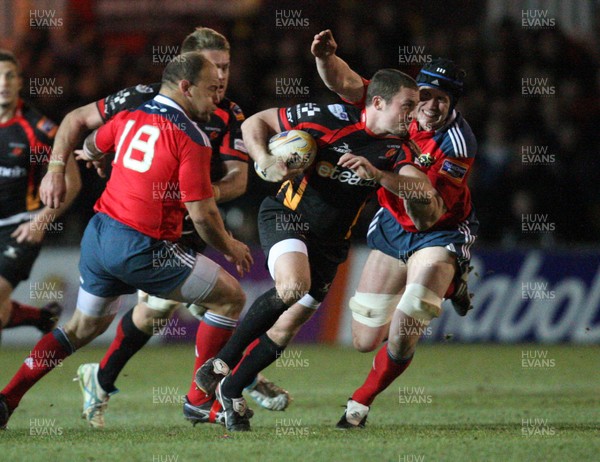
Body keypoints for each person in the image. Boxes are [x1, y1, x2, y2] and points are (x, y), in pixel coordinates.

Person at [39, 28, 290, 428]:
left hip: (188, 227)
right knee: (185, 306)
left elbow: (238, 181)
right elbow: (75, 121)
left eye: (226, 67)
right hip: (141, 226)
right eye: (213, 67)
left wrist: (190, 197)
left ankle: (108, 379)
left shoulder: (230, 114)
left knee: (157, 312)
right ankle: (227, 380)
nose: (221, 76)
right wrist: (60, 166)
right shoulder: (143, 97)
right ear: (188, 70)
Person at [0, 52, 253, 430]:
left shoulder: (130, 115)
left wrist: (101, 160)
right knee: (230, 296)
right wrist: (230, 245)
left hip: (100, 236)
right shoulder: (192, 137)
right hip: (144, 247)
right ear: (185, 87)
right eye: (208, 89)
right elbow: (202, 213)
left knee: (81, 328)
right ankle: (200, 400)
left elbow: (93, 143)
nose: (214, 99)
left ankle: (8, 398)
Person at [195, 68, 444, 432]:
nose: (415, 114)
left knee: (287, 326)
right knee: (293, 286)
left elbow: (425, 194)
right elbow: (255, 122)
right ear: (378, 102)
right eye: (408, 105)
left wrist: (379, 175)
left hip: (331, 244)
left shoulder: (398, 150)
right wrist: (264, 161)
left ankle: (231, 391)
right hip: (287, 216)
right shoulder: (328, 117)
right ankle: (219, 364)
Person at [311, 29, 479, 428]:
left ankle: (358, 406)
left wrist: (379, 174)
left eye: (442, 98)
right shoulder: (400, 107)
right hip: (391, 226)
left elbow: (428, 213)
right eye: (426, 95)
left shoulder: (456, 143)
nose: (430, 105)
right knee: (363, 340)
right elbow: (349, 83)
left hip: (439, 229)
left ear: (453, 102)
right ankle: (452, 286)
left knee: (409, 319)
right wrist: (324, 58)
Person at [0, 50, 81, 341]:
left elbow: (72, 182)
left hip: (20, 228)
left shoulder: (39, 130)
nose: (3, 82)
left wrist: (41, 221)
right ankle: (38, 316)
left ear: (20, 82)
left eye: (10, 75)